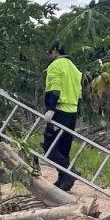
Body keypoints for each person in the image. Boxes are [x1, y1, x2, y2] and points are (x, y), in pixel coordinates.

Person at [42, 41, 83, 191]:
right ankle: (62, 180)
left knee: (49, 147)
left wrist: (50, 108)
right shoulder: (74, 68)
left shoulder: (55, 66)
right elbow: (79, 93)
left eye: (51, 52)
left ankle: (68, 171)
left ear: (55, 50)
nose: (51, 55)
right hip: (72, 112)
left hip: (59, 110)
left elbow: (55, 88)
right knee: (64, 147)